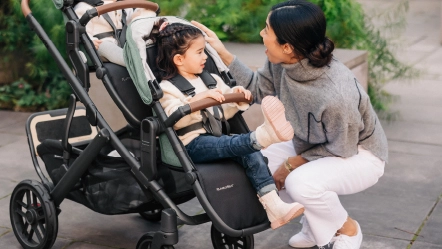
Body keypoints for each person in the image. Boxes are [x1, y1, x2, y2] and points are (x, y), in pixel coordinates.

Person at [191, 0, 388, 248]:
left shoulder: (336, 93)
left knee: (299, 182)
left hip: (359, 154)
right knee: (258, 159)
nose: (261, 34)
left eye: (266, 30)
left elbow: (342, 148)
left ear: (287, 46)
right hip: (312, 144)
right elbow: (257, 89)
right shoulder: (283, 62)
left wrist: (290, 164)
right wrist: (223, 53)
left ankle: (347, 230)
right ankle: (317, 227)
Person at [146, 18, 305, 229]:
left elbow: (225, 110)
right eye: (200, 52)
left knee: (251, 154)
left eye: (205, 51)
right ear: (179, 59)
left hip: (217, 136)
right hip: (192, 144)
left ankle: (275, 207)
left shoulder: (211, 79)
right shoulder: (167, 88)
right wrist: (197, 100)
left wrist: (236, 97)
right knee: (237, 144)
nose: (205, 57)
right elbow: (173, 117)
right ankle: (263, 137)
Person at [74, 0, 155, 66]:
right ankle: (132, 60)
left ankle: (143, 55)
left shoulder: (123, 5)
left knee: (146, 16)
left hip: (123, 42)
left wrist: (142, 11)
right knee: (105, 46)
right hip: (101, 43)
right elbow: (82, 29)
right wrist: (89, 40)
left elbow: (131, 20)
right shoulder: (84, 7)